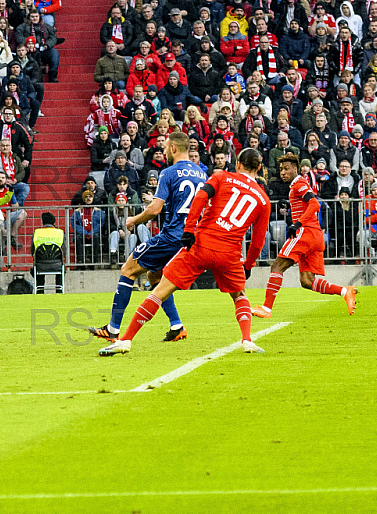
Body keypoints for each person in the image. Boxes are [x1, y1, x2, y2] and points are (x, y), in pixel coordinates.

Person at [98, 148, 271, 356]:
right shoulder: (264, 200)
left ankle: (125, 340)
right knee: (239, 295)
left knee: (160, 290)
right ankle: (247, 340)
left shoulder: (222, 177)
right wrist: (249, 265)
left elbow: (200, 197)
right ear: (259, 167)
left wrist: (189, 229)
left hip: (201, 244)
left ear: (238, 164)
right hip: (230, 252)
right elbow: (258, 240)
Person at [87, 132, 207, 345]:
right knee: (155, 277)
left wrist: (134, 220)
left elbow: (154, 209)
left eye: (167, 146)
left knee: (128, 270)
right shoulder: (201, 173)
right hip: (191, 238)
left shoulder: (169, 172)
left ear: (173, 148)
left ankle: (113, 329)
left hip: (171, 237)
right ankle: (176, 326)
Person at [252, 153, 357, 319]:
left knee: (277, 267)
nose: (283, 172)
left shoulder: (299, 183)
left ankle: (266, 308)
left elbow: (314, 203)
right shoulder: (296, 186)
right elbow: (305, 203)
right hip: (315, 235)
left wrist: (297, 223)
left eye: (286, 169)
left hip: (305, 232)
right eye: (281, 169)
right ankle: (345, 291)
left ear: (296, 169)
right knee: (307, 281)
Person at [31, 211, 64, 293]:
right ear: (54, 222)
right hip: (57, 265)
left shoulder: (37, 232)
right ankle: (59, 291)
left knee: (37, 265)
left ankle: (40, 292)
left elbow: (33, 250)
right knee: (61, 268)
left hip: (40, 264)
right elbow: (64, 251)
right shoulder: (60, 232)